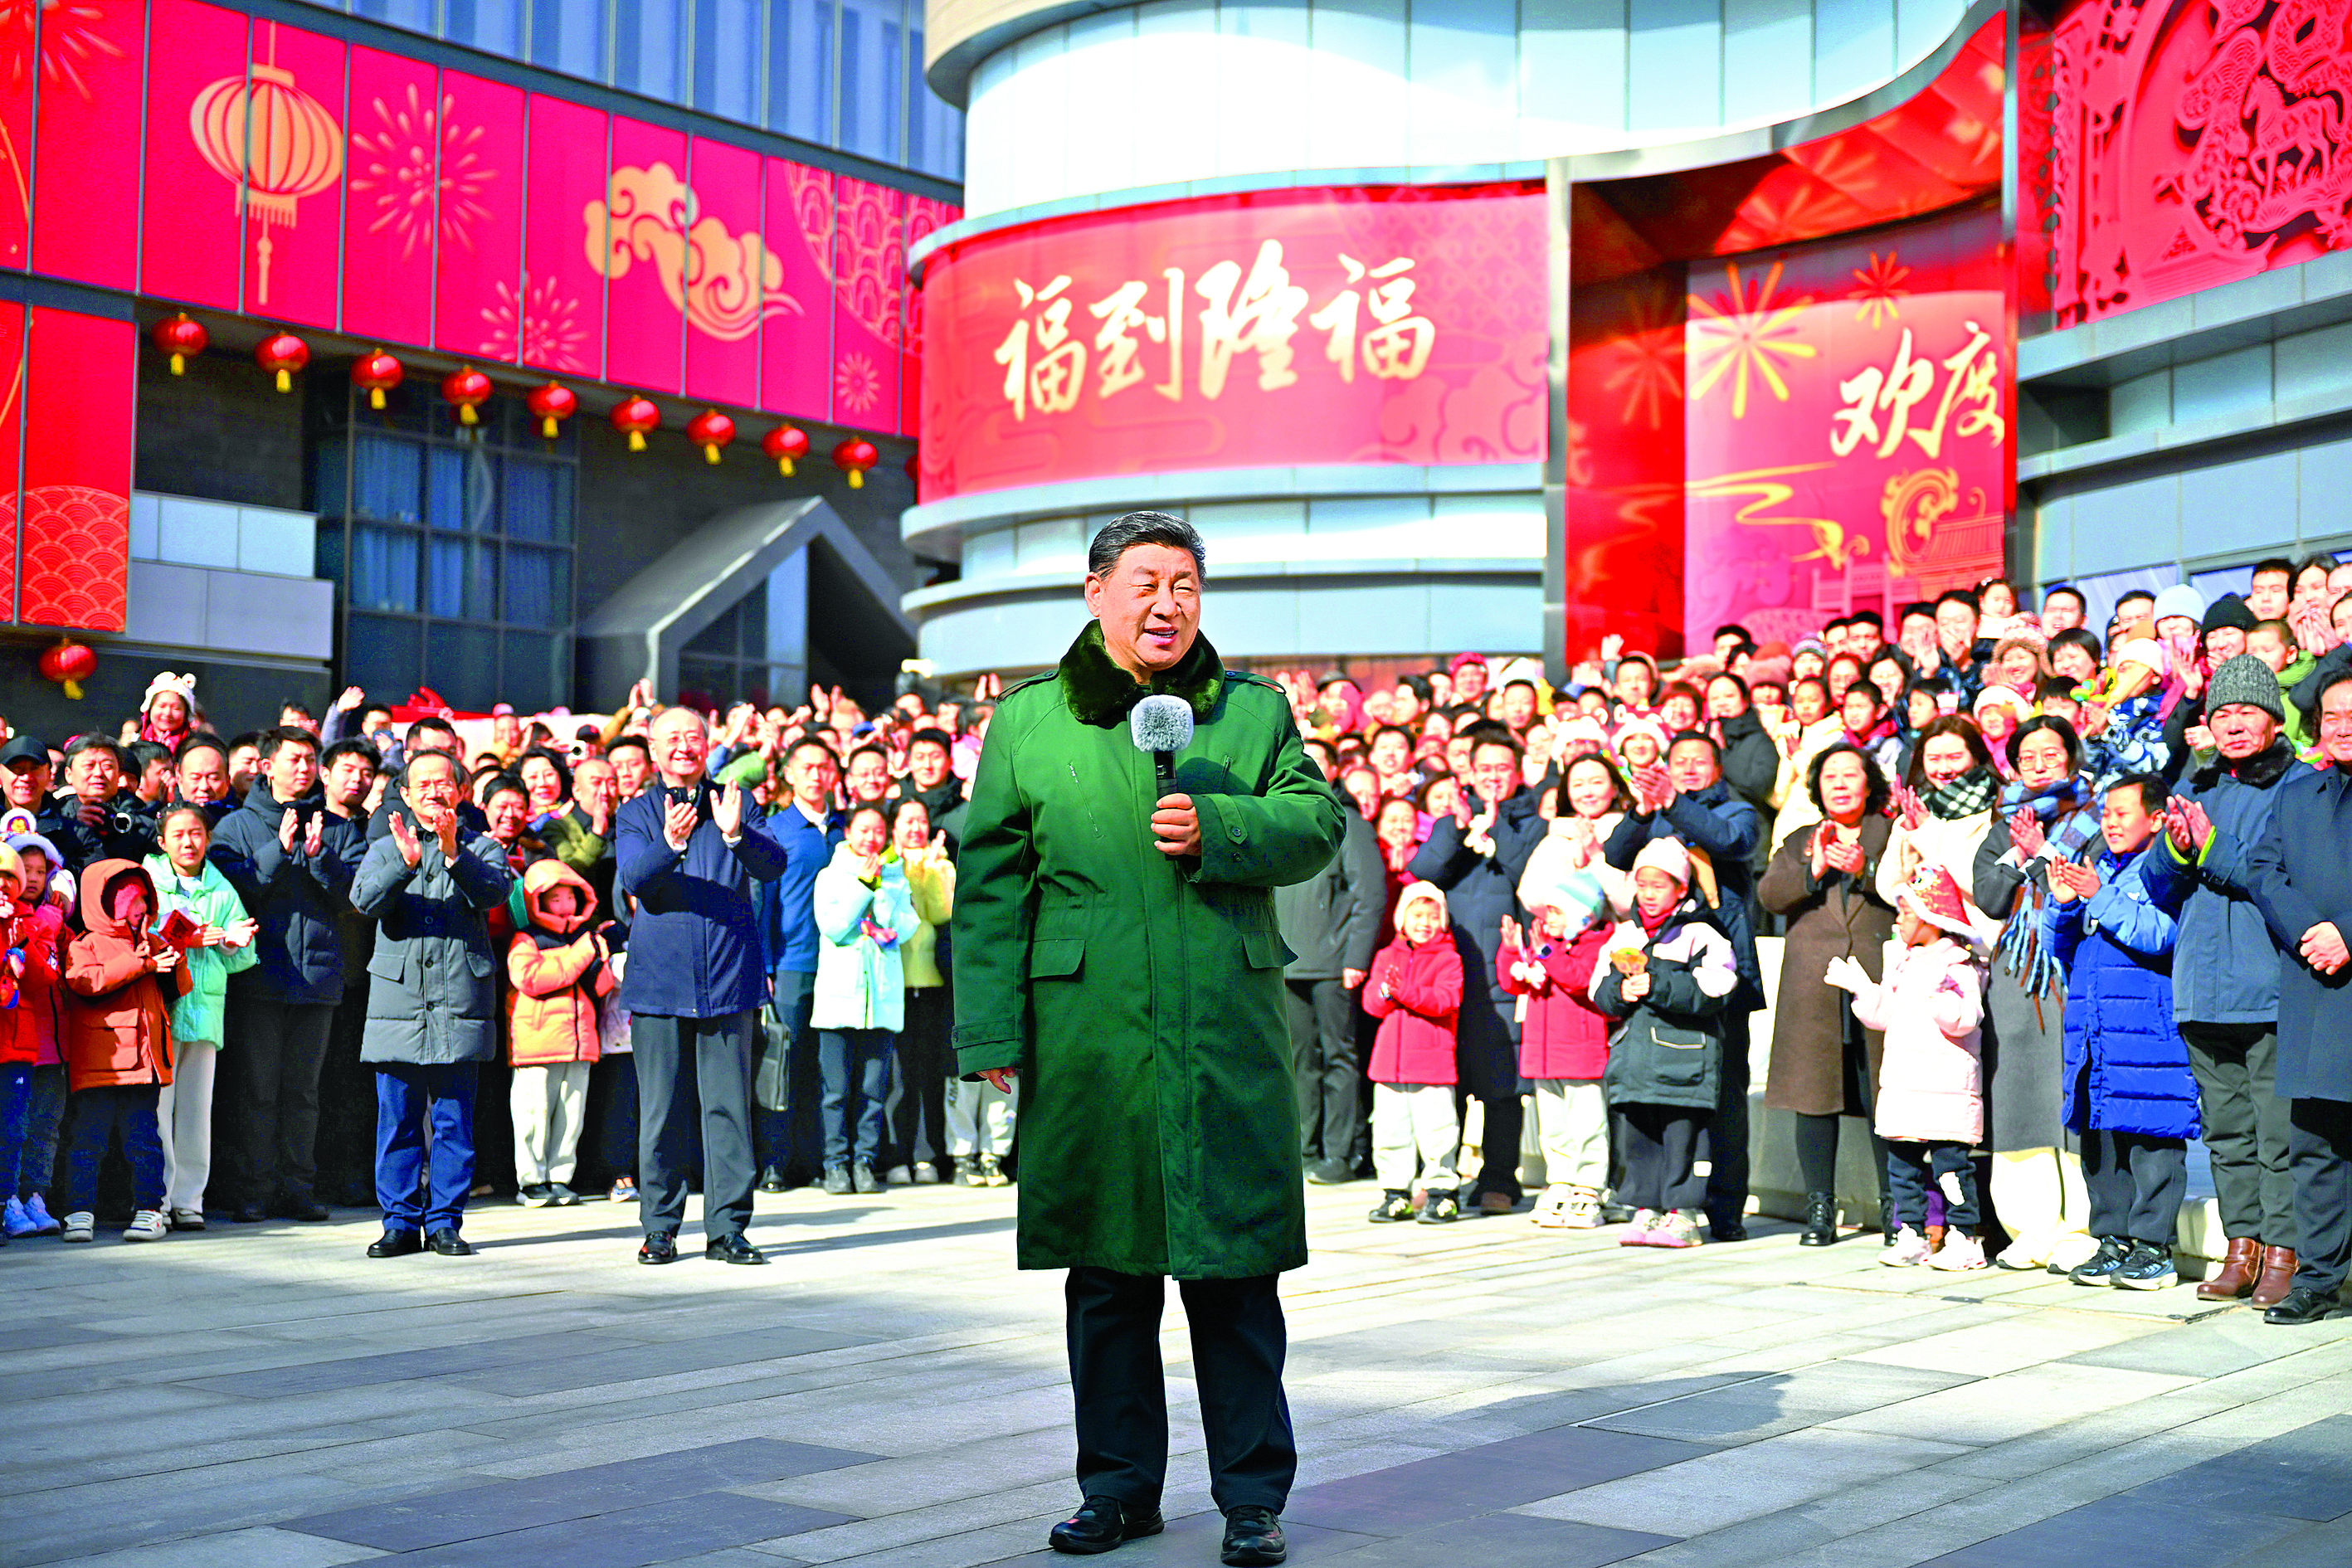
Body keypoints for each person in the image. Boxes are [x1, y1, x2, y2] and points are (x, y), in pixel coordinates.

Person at [951, 511, 1343, 1564]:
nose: (1166, 604)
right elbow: (991, 887)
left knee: (1234, 1277)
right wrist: (991, 1029)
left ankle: (1252, 1497)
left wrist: (1223, 828)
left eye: (1185, 585)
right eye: (1145, 583)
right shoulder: (1031, 723)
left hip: (1222, 1030)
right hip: (1090, 1038)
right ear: (1096, 594)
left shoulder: (1253, 714)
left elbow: (1318, 823)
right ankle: (1118, 1489)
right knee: (1107, 1277)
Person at [2140, 655, 2302, 1305]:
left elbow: (2278, 877)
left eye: (2246, 711)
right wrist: (2177, 845)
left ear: (2271, 718)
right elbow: (2155, 885)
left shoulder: (2300, 789)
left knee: (2278, 1132)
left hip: (2265, 990)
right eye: (2222, 714)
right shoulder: (2198, 788)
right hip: (2200, 993)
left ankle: (2285, 1254)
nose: (2233, 725)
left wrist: (2210, 847)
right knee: (2227, 1132)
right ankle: (2242, 1247)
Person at [616, 706, 788, 1265]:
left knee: (728, 1111)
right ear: (653, 746)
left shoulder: (733, 800)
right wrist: (666, 844)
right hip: (660, 980)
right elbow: (635, 880)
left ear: (708, 742)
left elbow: (772, 865)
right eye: (672, 738)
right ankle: (660, 1226)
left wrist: (737, 834)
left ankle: (728, 1230)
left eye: (693, 736)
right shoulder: (636, 811)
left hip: (728, 977)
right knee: (661, 1111)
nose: (684, 746)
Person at [351, 749, 514, 1259]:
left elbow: (494, 894)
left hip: (459, 1001)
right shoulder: (384, 846)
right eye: (421, 783)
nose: (432, 791)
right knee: (397, 1119)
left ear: (461, 791)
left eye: (443, 783)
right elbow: (363, 902)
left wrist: (452, 855)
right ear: (403, 794)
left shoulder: (482, 846)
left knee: (452, 1122)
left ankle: (445, 1222)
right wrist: (405, 864)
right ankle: (399, 1221)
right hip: (397, 1005)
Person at [1602, 729, 1765, 1240]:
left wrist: (1672, 803)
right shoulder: (1653, 812)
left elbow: (1731, 842)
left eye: (1700, 760)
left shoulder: (1735, 810)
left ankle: (1724, 1210)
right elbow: (1615, 854)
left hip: (1720, 970)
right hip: (1657, 966)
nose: (1690, 767)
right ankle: (1660, 1202)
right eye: (1679, 760)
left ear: (1717, 769)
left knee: (1725, 1096)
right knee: (1659, 1093)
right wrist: (1641, 809)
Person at [2044, 773, 2197, 1291]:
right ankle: (2112, 1240)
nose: (2109, 822)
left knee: (2152, 1136)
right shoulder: (2101, 870)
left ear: (2156, 819)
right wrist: (2064, 905)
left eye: (2122, 813)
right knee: (2100, 1139)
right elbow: (2062, 950)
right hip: (2094, 1029)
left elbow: (2159, 935)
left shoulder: (2164, 870)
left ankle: (2154, 1249)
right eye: (2105, 813)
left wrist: (2098, 895)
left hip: (2145, 1031)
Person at [212, 726, 363, 1224]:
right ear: (267, 766)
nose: (303, 769)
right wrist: (277, 851)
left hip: (317, 980)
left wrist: (320, 858)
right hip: (257, 978)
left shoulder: (337, 827)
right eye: (293, 760)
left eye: (309, 760)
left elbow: (356, 898)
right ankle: (253, 1189)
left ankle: (299, 1188)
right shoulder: (236, 825)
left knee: (303, 1093)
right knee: (255, 1090)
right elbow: (231, 893)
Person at [2238, 666, 2352, 1324]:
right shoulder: (2297, 793)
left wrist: (2348, 934)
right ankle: (2318, 1277)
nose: (2341, 726)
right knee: (2314, 1145)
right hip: (2314, 986)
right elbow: (2262, 868)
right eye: (2331, 715)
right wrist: (2312, 930)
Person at [1972, 717, 2099, 1271]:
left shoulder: (2095, 818)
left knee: (2071, 1094)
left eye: (2051, 753)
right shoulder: (2003, 823)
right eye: (2028, 756)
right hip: (2017, 974)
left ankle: (2080, 1230)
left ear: (2071, 757)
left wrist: (2044, 851)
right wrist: (2022, 852)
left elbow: (2083, 887)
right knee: (2019, 1095)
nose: (2040, 764)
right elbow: (1989, 895)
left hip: (2071, 965)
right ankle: (2027, 1227)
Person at [1760, 743, 1897, 1245]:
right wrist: (1812, 868)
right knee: (1812, 1098)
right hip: (1811, 987)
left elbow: (1915, 890)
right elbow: (1771, 896)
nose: (1838, 783)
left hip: (1879, 978)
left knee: (1887, 1095)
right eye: (1828, 775)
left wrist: (1865, 867)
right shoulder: (1800, 838)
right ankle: (1820, 1206)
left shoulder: (1891, 831)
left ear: (1870, 783)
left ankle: (1895, 1207)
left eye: (1850, 774)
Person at [1407, 731, 1544, 1213]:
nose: (1492, 777)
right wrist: (1457, 830)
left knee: (1503, 1089)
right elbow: (1424, 870)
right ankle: (1440, 1177)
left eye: (1502, 769)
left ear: (1518, 772)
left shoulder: (1533, 824)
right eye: (1484, 768)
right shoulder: (1452, 822)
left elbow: (1526, 871)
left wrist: (1497, 824)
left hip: (1504, 977)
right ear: (1469, 771)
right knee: (1448, 1084)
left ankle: (1500, 1181)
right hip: (1450, 976)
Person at [1833, 861, 1988, 1270]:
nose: (1898, 919)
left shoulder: (1958, 966)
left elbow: (1968, 1018)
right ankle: (1912, 1233)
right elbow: (1885, 1016)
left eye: (1906, 912)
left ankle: (1964, 1236)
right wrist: (1862, 989)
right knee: (1901, 1168)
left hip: (1946, 1090)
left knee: (1951, 1170)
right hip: (1903, 1086)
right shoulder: (1902, 962)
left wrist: (1940, 999)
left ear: (1931, 918)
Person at [1590, 838, 1739, 1250]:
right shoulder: (1624, 934)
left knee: (1683, 1138)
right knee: (1638, 1137)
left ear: (1680, 888)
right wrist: (1622, 990)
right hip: (1635, 1062)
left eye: (1660, 885)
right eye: (1643, 884)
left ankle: (1683, 1213)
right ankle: (1646, 1207)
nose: (1650, 894)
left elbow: (1717, 986)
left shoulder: (1701, 933)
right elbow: (1598, 991)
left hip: (1684, 1063)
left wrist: (1658, 983)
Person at [1274, 742, 1385, 1186]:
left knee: (1340, 1057)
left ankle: (1340, 1154)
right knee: (1300, 1060)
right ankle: (1305, 1150)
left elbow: (1369, 898)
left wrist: (1356, 958)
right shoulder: (1281, 814)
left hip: (1335, 965)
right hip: (1288, 962)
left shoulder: (1349, 823)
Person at [59, 859, 187, 1243]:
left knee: (144, 1141)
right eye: (130, 903)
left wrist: (171, 958)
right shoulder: (85, 944)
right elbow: (86, 982)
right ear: (107, 904)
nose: (140, 910)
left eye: (144, 902)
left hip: (145, 1065)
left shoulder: (151, 942)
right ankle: (79, 1212)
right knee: (88, 1140)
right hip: (103, 1064)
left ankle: (150, 1210)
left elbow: (180, 988)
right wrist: (141, 963)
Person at [146, 805, 259, 1230]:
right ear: (161, 842)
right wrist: (191, 936)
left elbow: (238, 956)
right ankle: (156, 1198)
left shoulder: (221, 886)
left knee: (196, 1109)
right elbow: (141, 934)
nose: (188, 842)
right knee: (159, 1109)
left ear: (207, 838)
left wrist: (233, 942)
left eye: (195, 833)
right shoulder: (149, 880)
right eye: (177, 835)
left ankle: (189, 1200)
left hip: (206, 1010)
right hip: (163, 1008)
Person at [811, 803, 921, 1193]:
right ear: (848, 833)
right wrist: (865, 886)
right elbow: (834, 927)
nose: (870, 838)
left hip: (882, 1002)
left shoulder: (896, 876)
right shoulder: (831, 876)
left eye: (877, 831)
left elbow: (909, 923)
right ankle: (835, 1164)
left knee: (874, 1092)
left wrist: (889, 907)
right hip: (838, 1001)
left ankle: (865, 1162)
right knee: (836, 1092)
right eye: (863, 830)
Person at [755, 735, 842, 1189]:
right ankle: (774, 1161)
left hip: (844, 968)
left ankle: (818, 1160)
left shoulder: (848, 829)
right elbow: (763, 904)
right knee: (784, 1063)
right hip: (792, 963)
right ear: (787, 775)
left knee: (828, 1068)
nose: (815, 774)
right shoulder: (775, 831)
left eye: (823, 766)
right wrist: (765, 965)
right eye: (805, 766)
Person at [504, 859, 616, 1206]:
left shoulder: (583, 939)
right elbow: (531, 979)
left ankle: (559, 1176)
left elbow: (600, 987)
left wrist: (600, 955)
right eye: (555, 899)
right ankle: (531, 1180)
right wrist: (582, 953)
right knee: (533, 1115)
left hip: (580, 1041)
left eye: (570, 898)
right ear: (536, 901)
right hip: (538, 1043)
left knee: (571, 1116)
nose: (565, 906)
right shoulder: (526, 939)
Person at [1500, 897, 1611, 1229]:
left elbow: (1579, 979)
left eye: (1557, 911)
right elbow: (1514, 982)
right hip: (1543, 1054)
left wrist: (1547, 952)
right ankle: (1560, 1180)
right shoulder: (1548, 946)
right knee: (1553, 1126)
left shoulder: (1595, 944)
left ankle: (1590, 1187)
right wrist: (1511, 951)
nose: (1548, 917)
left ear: (1582, 916)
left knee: (1588, 1124)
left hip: (1580, 1054)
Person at [1362, 881, 1463, 1225]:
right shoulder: (1386, 956)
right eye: (1417, 915)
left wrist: (1403, 990)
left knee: (1438, 1133)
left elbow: (1444, 1001)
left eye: (1433, 916)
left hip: (1431, 1064)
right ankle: (1395, 1193)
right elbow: (1371, 1004)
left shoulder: (1449, 958)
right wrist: (1386, 993)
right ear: (1401, 918)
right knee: (1390, 1132)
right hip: (1389, 1065)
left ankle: (1442, 1193)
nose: (1424, 922)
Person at [0, 835, 66, 1237]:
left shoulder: (35, 922)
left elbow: (45, 977)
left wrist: (21, 932)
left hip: (23, 1043)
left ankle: (11, 1200)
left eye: (36, 873)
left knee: (16, 1128)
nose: (25, 881)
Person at [888, 799, 956, 1184]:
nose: (915, 827)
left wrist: (930, 870)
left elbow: (941, 913)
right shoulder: (881, 863)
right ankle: (897, 1155)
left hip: (930, 984)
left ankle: (927, 1154)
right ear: (893, 826)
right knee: (898, 1077)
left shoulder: (943, 865)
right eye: (907, 820)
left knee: (929, 1071)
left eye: (921, 821)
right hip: (893, 986)